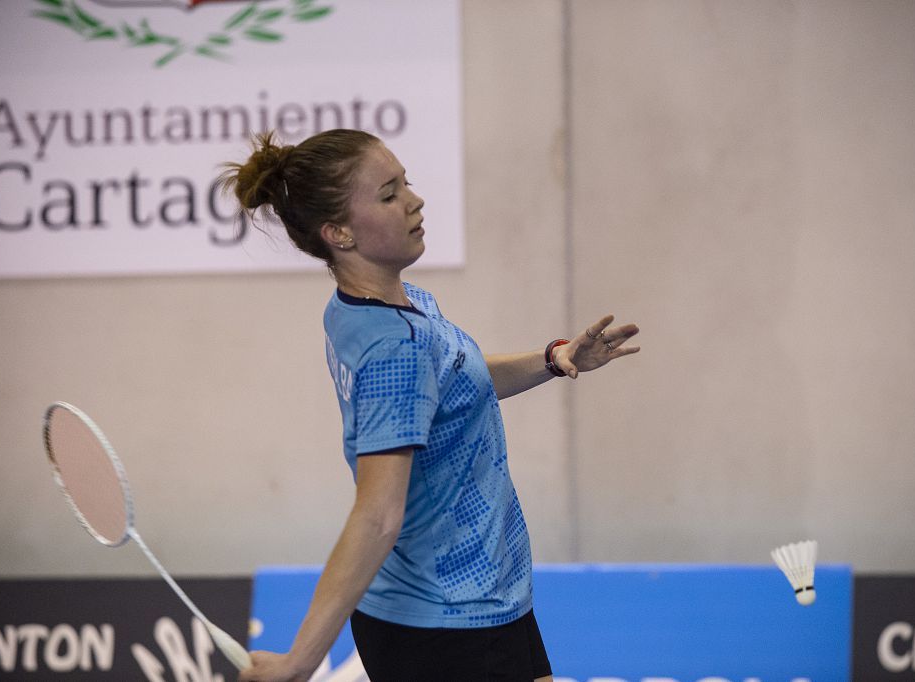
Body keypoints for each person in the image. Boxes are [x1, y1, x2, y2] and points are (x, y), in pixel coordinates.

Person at [224, 129, 639, 682]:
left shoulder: (381, 307)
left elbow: (452, 379)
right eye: (388, 194)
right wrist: (299, 662)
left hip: (484, 593)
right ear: (339, 232)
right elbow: (377, 515)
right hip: (446, 623)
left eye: (407, 184)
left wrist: (553, 358)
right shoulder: (395, 349)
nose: (414, 201)